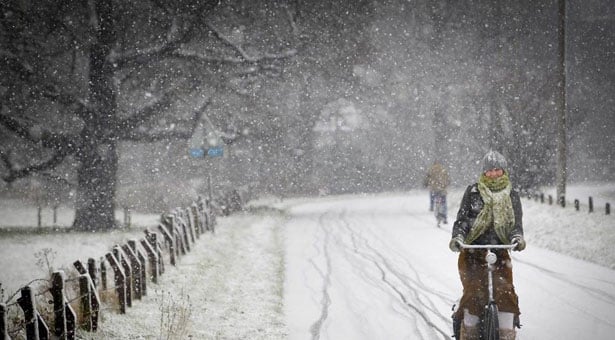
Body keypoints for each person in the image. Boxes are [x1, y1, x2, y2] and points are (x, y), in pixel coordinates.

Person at [449, 150, 526, 340]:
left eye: (497, 170)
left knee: (506, 292)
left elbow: (516, 224)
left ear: (503, 171)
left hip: (499, 253)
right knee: (474, 292)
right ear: (484, 173)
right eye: (489, 171)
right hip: (473, 252)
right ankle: (469, 334)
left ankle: (506, 333)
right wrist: (459, 237)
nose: (493, 174)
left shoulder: (512, 195)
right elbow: (463, 220)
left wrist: (517, 238)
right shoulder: (473, 192)